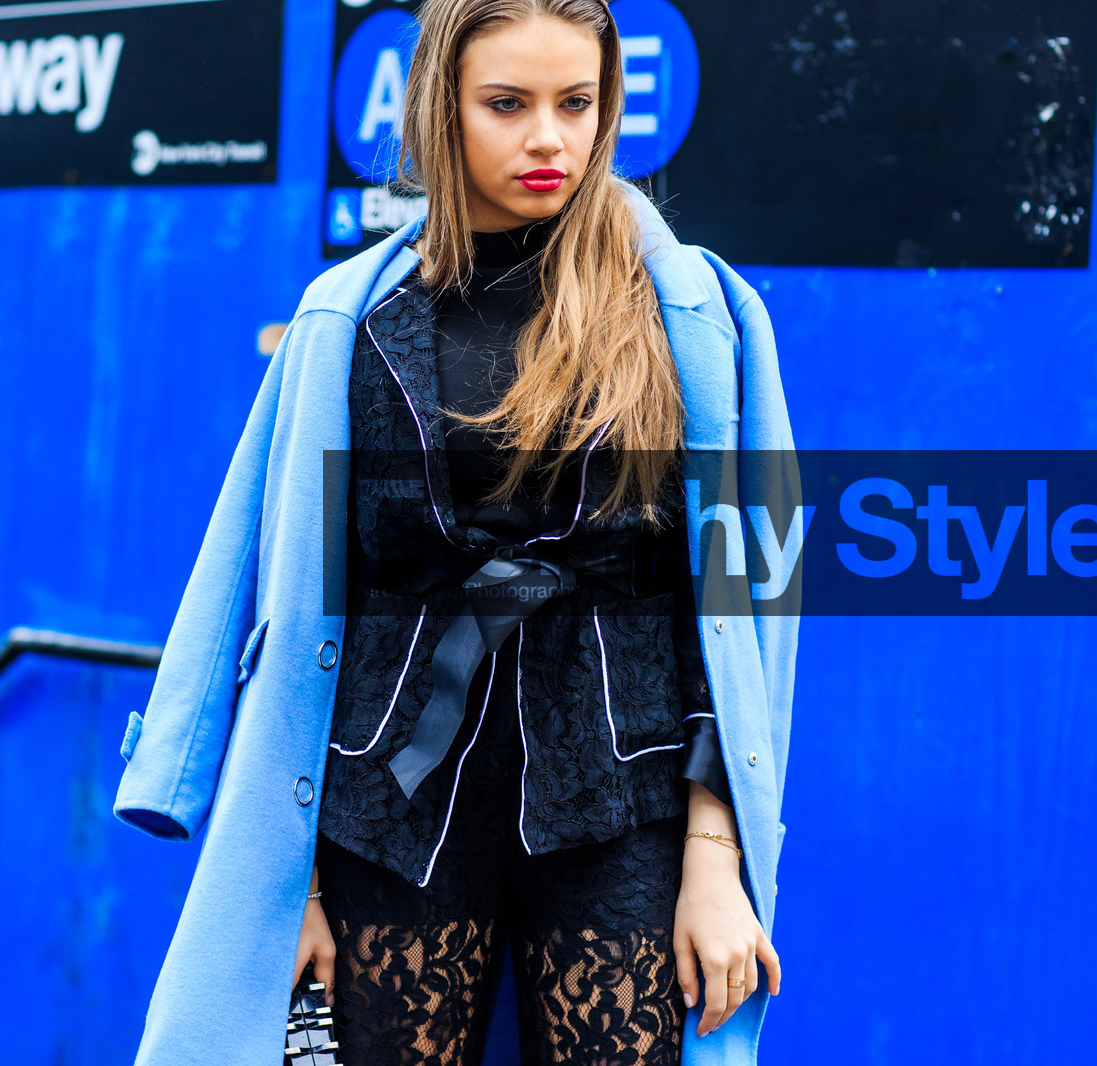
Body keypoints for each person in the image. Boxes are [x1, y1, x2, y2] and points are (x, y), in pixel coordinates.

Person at [110, 2, 799, 1063]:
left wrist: (719, 854)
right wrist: (287, 887)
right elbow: (279, 606)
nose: (548, 140)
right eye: (507, 104)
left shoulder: (688, 315)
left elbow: (745, 603)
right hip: (386, 804)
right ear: (441, 105)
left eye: (577, 103)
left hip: (621, 801)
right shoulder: (347, 320)